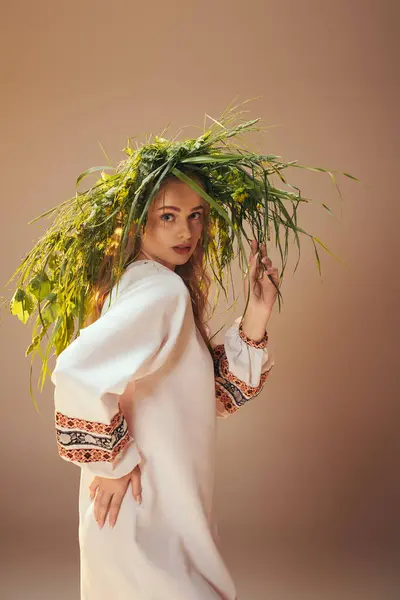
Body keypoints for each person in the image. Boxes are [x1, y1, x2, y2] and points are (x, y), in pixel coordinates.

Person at [51, 170, 277, 599]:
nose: (186, 231)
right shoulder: (162, 291)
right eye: (168, 216)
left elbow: (205, 390)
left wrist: (258, 311)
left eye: (195, 217)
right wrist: (113, 467)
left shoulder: (147, 283)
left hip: (159, 508)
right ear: (137, 221)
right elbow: (77, 369)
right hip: (145, 509)